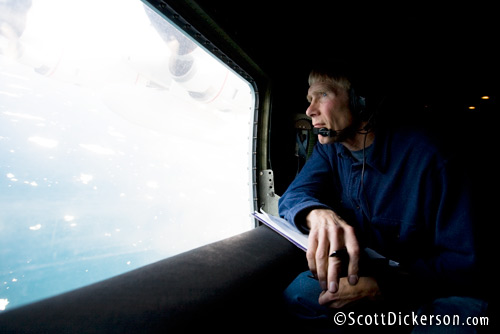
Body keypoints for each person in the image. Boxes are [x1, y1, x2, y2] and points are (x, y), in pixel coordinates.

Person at [278, 63, 489, 333]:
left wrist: (385, 287)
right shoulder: (329, 150)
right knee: (298, 295)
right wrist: (319, 214)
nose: (310, 110)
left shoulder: (433, 160)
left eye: (323, 95)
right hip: (367, 273)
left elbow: (466, 268)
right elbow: (295, 194)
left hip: (432, 290)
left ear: (360, 100)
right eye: (309, 100)